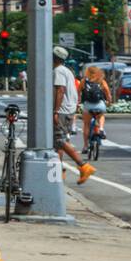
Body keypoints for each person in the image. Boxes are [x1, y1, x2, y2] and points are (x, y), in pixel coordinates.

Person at [53, 46, 93, 183]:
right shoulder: (67, 71)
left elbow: (60, 90)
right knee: (57, 144)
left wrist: (55, 111)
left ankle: (83, 165)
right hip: (69, 110)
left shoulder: (58, 71)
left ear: (54, 58)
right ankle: (59, 172)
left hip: (62, 110)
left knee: (60, 140)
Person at [80, 64, 111, 149]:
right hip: (100, 104)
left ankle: (85, 146)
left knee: (86, 124)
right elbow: (108, 93)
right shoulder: (101, 81)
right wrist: (109, 102)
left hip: (88, 105)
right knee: (101, 115)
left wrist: (78, 102)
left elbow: (78, 93)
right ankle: (101, 128)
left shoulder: (84, 81)